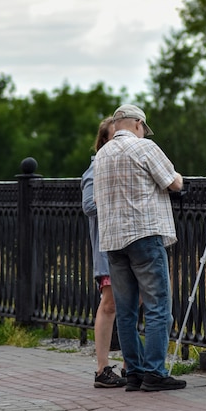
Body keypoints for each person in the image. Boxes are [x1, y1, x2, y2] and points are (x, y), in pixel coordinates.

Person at [93, 104, 186, 392]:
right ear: (137, 124)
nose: (144, 131)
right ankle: (154, 373)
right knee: (159, 308)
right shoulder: (145, 147)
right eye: (144, 127)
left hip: (113, 240)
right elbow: (174, 183)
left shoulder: (101, 155)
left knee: (126, 310)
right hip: (144, 235)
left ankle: (132, 372)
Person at [81, 116, 126, 388]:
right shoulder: (97, 166)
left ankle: (129, 365)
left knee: (135, 303)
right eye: (115, 135)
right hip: (107, 248)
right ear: (105, 141)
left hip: (125, 245)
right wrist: (119, 201)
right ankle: (101, 368)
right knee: (109, 305)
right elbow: (88, 205)